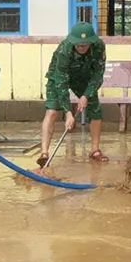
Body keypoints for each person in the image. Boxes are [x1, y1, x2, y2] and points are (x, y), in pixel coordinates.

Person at [39, 21, 110, 166]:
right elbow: (61, 82)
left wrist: (86, 95)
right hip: (58, 78)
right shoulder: (64, 49)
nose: (80, 47)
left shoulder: (98, 47)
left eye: (84, 45)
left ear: (91, 42)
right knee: (52, 111)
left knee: (95, 111)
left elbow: (98, 74)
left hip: (84, 77)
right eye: (78, 44)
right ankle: (44, 153)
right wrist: (68, 113)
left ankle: (94, 150)